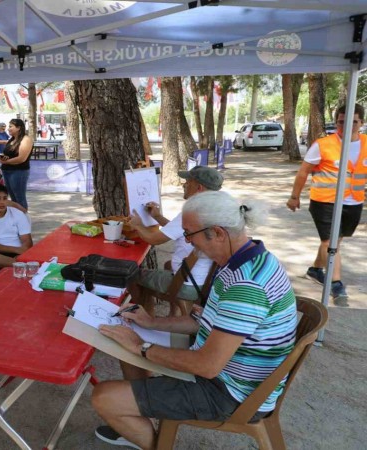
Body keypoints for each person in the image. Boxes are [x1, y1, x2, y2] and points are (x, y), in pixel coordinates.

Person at [91, 191, 298, 449]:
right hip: (230, 374)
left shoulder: (245, 285)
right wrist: (152, 324)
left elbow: (208, 366)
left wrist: (141, 347)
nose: (188, 242)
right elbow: (205, 322)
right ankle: (141, 413)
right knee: (127, 348)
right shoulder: (241, 259)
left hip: (232, 392)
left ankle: (155, 442)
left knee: (104, 397)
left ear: (218, 233)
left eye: (190, 234)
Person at [287, 103, 366, 306]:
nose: (346, 125)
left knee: (336, 242)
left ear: (361, 123)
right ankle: (336, 284)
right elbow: (304, 171)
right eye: (341, 121)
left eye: (353, 121)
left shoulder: (366, 143)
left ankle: (315, 270)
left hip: (353, 202)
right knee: (329, 242)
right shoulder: (323, 144)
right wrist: (294, 196)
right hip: (325, 202)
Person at [127, 166, 223, 314]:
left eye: (187, 181)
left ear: (199, 187)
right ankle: (173, 314)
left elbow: (154, 240)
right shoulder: (215, 209)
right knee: (168, 264)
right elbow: (180, 231)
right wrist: (157, 217)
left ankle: (146, 321)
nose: (184, 185)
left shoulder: (192, 212)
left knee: (132, 276)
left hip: (188, 284)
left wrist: (138, 226)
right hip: (203, 281)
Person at [0, 118, 33, 210]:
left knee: (19, 197)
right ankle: (16, 219)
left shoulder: (26, 139)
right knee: (13, 198)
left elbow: (22, 158)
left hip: (19, 171)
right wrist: (3, 158)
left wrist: (6, 161)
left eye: (10, 126)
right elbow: (10, 154)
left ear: (19, 128)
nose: (8, 129)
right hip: (6, 171)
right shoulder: (11, 139)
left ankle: (23, 220)